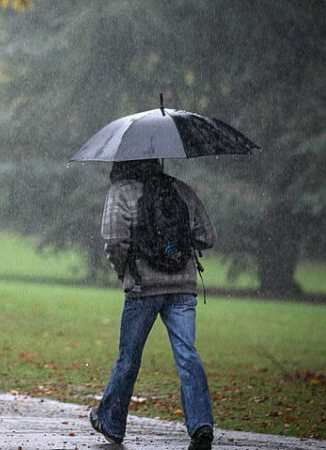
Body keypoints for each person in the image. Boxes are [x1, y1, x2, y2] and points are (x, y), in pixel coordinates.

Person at [90, 159, 216, 450]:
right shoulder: (180, 190)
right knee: (187, 354)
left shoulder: (120, 192)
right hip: (183, 288)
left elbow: (113, 239)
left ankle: (110, 422)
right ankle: (201, 424)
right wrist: (176, 247)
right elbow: (208, 237)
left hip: (142, 287)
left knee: (129, 357)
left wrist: (126, 269)